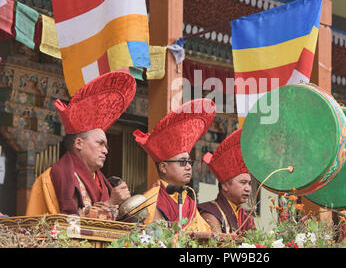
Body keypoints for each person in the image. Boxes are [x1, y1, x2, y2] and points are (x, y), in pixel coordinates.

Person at [26, 72, 134, 217]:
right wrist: (110, 203)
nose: (105, 151)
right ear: (79, 143)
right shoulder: (55, 176)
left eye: (106, 146)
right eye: (100, 144)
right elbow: (69, 221)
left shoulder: (102, 181)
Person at [133, 98, 215, 232]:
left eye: (189, 162)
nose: (188, 167)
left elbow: (205, 234)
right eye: (182, 162)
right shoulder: (151, 200)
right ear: (163, 167)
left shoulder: (188, 201)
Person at [198, 129, 256, 234]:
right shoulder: (211, 213)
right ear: (225, 185)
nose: (248, 188)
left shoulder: (247, 218)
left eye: (249, 183)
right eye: (243, 182)